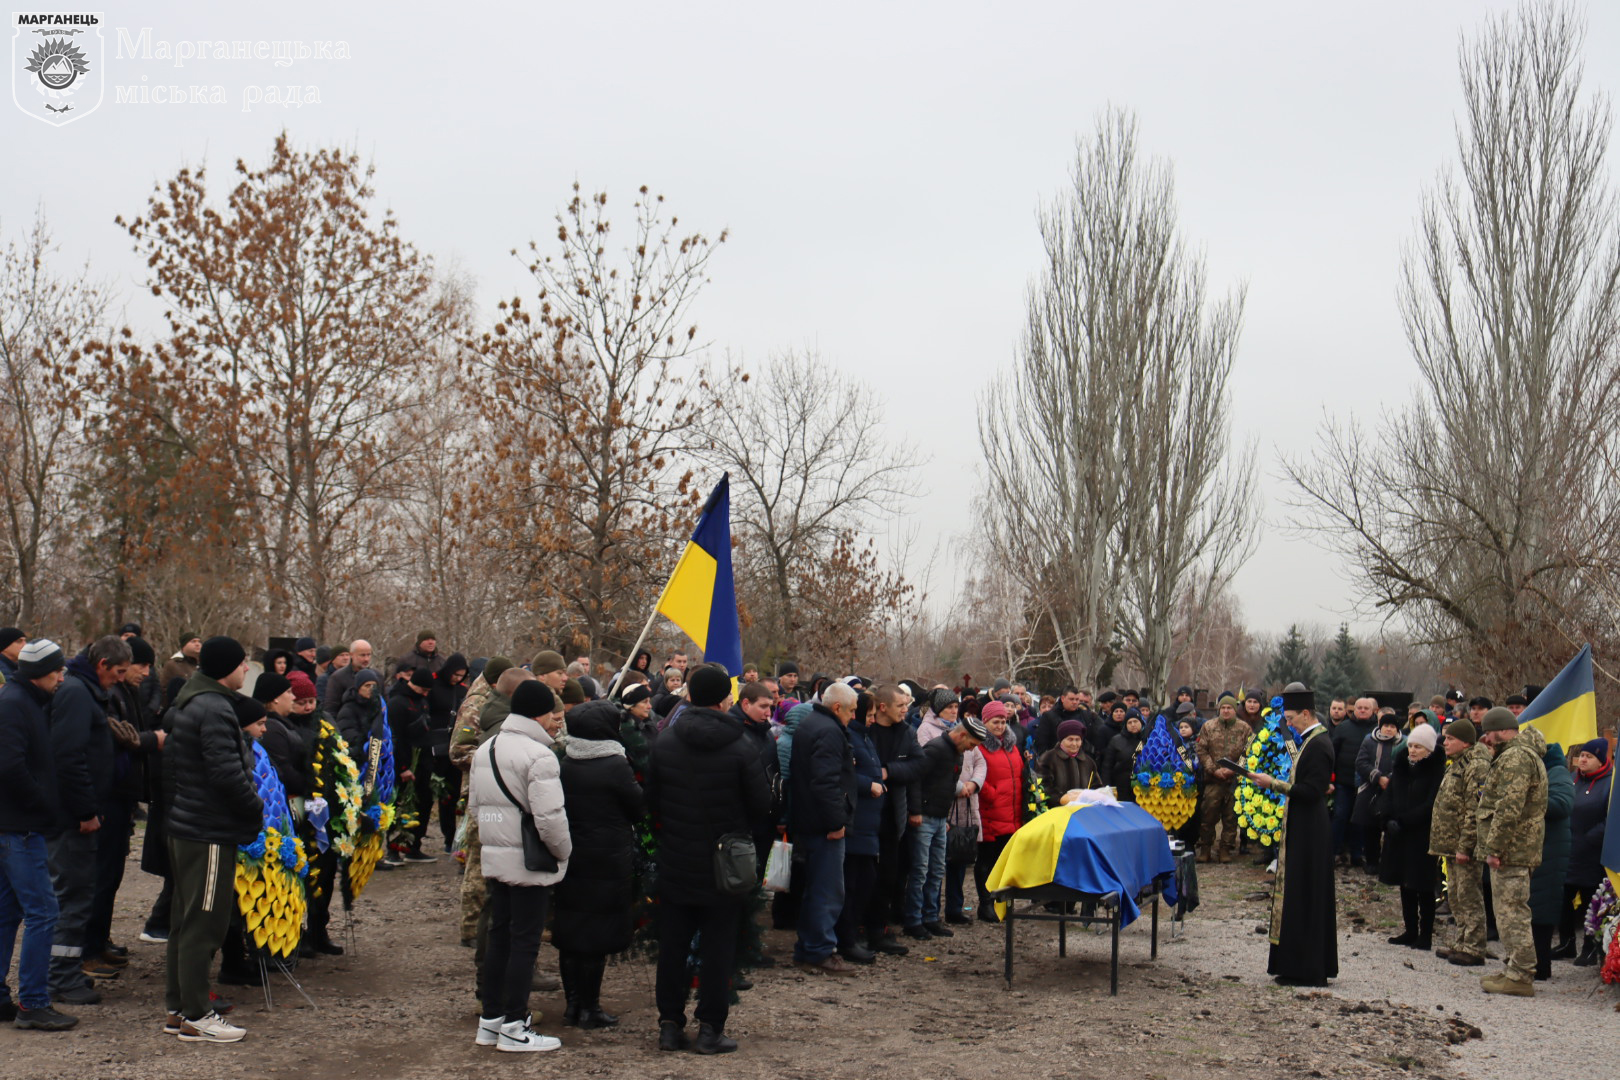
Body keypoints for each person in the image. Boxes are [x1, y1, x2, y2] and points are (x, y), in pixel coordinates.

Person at [647, 664, 770, 1055]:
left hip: (677, 859)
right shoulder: (740, 746)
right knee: (718, 949)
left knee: (673, 947)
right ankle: (710, 1029)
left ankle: (669, 1026)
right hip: (724, 865)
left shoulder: (664, 744)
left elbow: (651, 803)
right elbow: (761, 805)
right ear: (723, 700)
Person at [164, 636, 259, 1043]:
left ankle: (178, 1007)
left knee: (184, 922)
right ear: (227, 668)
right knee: (204, 923)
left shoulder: (192, 699)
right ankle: (197, 1015)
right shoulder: (216, 707)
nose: (246, 670)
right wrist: (256, 808)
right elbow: (225, 774)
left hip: (190, 825)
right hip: (209, 831)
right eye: (243, 664)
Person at [468, 679, 570, 1053]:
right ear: (541, 714)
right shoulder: (540, 756)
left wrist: (498, 840)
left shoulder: (486, 748)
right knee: (525, 944)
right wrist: (563, 853)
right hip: (531, 861)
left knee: (499, 937)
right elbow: (551, 819)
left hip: (496, 856)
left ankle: (490, 1021)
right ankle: (515, 1024)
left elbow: (476, 809)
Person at [47, 635, 131, 1004]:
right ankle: (61, 978)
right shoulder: (79, 694)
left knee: (79, 894)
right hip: (74, 819)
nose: (122, 679)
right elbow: (68, 756)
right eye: (120, 672)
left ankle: (64, 975)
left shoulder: (84, 691)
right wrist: (84, 810)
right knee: (73, 896)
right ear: (102, 665)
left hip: (83, 812)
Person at [0, 639, 78, 1031]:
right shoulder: (15, 703)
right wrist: (44, 804)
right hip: (20, 827)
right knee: (44, 912)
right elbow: (10, 766)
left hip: (14, 825)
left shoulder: (22, 700)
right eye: (56, 671)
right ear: (37, 672)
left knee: (8, 912)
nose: (62, 677)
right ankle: (32, 1003)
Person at [553, 700, 643, 1028]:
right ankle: (590, 1007)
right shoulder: (614, 764)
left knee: (572, 932)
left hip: (571, 856)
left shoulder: (565, 761)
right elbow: (638, 807)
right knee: (596, 937)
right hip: (607, 859)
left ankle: (573, 1004)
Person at [1249, 683, 1336, 987]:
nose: (1287, 723)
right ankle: (1293, 964)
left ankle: (1307, 968)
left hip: (1310, 829)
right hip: (1303, 824)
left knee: (1305, 894)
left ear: (1306, 713)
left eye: (1290, 717)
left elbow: (1310, 792)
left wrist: (1271, 783)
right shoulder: (1310, 741)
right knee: (1296, 894)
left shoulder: (1319, 743)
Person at [1474, 706, 1548, 996]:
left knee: (1511, 912)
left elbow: (1508, 808)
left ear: (1503, 730)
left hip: (1512, 850)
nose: (1487, 739)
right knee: (1510, 910)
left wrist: (1495, 847)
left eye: (1489, 733)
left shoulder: (1516, 757)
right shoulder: (1516, 754)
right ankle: (1514, 967)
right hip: (1515, 847)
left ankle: (1520, 975)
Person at [789, 680, 859, 975]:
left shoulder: (812, 723)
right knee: (827, 890)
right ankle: (819, 950)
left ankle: (809, 948)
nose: (854, 717)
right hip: (822, 824)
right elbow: (826, 781)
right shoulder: (829, 731)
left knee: (817, 887)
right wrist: (836, 822)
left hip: (808, 819)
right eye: (852, 710)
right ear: (837, 707)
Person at [903, 715, 987, 939]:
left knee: (936, 870)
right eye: (971, 744)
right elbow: (916, 779)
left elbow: (947, 785)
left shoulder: (956, 753)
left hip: (941, 819)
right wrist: (916, 810)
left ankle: (931, 918)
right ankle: (913, 920)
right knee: (920, 871)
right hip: (925, 817)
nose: (971, 750)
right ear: (961, 735)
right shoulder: (936, 749)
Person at [864, 684, 923, 956]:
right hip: (864, 814)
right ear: (883, 707)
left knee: (889, 874)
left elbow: (918, 766)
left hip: (892, 815)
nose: (905, 710)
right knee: (861, 875)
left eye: (906, 705)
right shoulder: (865, 730)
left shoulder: (907, 732)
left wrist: (889, 771)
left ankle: (880, 930)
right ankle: (856, 928)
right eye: (900, 705)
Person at [1431, 717, 1494, 967]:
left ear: (1466, 742)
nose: (1444, 742)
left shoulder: (1477, 766)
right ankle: (1461, 941)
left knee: (1469, 895)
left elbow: (1474, 809)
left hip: (1463, 845)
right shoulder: (1458, 762)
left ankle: (1474, 947)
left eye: (1450, 738)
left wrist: (1465, 846)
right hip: (1450, 843)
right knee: (1456, 894)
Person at [1379, 724, 1444, 949]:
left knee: (1423, 885)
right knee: (1404, 883)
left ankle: (1425, 935)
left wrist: (1405, 820)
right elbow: (1388, 796)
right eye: (1411, 746)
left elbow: (1431, 804)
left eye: (1418, 747)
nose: (1413, 750)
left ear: (1429, 749)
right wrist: (1387, 820)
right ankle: (1410, 929)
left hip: (1421, 834)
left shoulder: (1436, 771)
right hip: (1399, 834)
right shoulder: (1401, 767)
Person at [1561, 738, 1612, 965]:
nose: (1582, 759)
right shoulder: (1572, 780)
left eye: (1589, 756)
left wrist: (1591, 837)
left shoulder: (1610, 784)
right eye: (1581, 755)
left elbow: (1612, 819)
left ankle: (1590, 948)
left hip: (1592, 855)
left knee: (1592, 903)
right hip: (1568, 851)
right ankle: (1566, 943)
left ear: (1601, 760)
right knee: (1563, 899)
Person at [973, 701, 1023, 923]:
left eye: (1004, 721)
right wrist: (991, 794)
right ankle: (985, 903)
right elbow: (975, 775)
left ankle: (999, 900)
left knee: (1003, 860)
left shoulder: (1011, 745)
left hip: (1011, 812)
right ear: (985, 722)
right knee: (986, 860)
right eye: (996, 722)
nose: (1001, 726)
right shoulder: (979, 746)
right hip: (990, 811)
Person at [1528, 737, 1573, 980]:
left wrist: (1526, 798)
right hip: (1538, 847)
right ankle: (1532, 962)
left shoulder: (1557, 772)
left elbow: (1562, 804)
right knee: (1533, 907)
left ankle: (1541, 967)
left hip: (1550, 849)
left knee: (1542, 911)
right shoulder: (1544, 771)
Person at [1193, 695, 1253, 863]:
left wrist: (1233, 770)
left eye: (1230, 708)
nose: (1226, 711)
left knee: (1231, 816)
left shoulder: (1245, 729)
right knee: (1208, 815)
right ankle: (1205, 848)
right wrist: (1213, 770)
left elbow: (1250, 752)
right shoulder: (1208, 727)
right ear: (1219, 709)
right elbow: (1201, 750)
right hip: (1213, 780)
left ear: (1235, 710)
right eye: (1223, 708)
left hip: (1234, 781)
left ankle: (1225, 849)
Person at [1354, 714, 1403, 874]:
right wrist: (1378, 777)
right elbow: (1361, 762)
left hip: (1394, 790)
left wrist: (1390, 778)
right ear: (1380, 727)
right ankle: (1372, 862)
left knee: (1392, 828)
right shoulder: (1369, 740)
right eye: (1386, 726)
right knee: (1370, 828)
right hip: (1371, 788)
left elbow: (1405, 763)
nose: (1389, 729)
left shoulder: (1404, 743)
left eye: (1392, 726)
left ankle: (1390, 865)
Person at [1330, 697, 1376, 867]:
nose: (1362, 710)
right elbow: (1333, 754)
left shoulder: (1376, 729)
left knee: (1360, 820)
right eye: (1359, 708)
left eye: (1366, 708)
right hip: (1344, 781)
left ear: (1372, 711)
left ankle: (1357, 854)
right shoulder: (1343, 728)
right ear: (1353, 710)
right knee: (1340, 816)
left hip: (1366, 783)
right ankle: (1333, 852)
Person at [1036, 719, 1099, 805]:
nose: (1074, 744)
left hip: (1081, 811)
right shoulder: (1048, 758)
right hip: (1056, 812)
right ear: (1062, 740)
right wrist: (1060, 799)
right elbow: (1042, 785)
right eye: (1070, 739)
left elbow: (1096, 785)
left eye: (1078, 740)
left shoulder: (1088, 762)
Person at [1102, 709, 1145, 803]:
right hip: (1122, 787)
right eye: (1130, 722)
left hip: (1144, 787)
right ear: (1125, 725)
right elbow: (1107, 766)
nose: (1133, 724)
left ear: (1141, 722)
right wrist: (1107, 787)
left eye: (1135, 721)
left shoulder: (1147, 740)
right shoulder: (1116, 740)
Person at [323, 639, 372, 714]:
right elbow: (331, 709)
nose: (366, 659)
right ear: (352, 655)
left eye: (368, 655)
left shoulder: (376, 676)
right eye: (362, 655)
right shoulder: (338, 678)